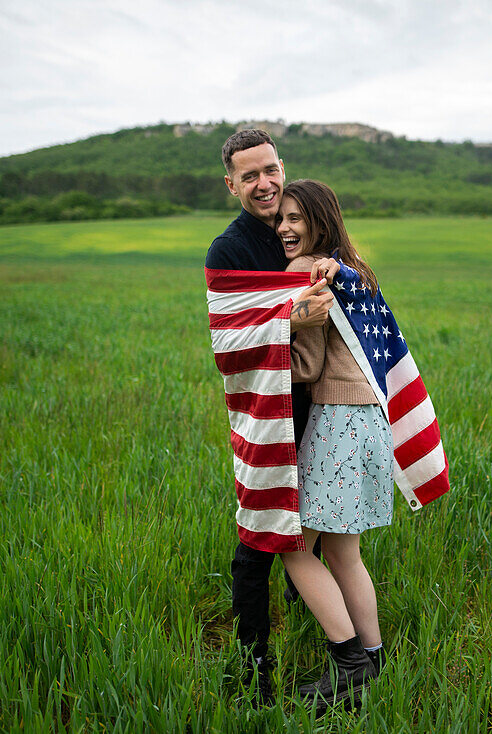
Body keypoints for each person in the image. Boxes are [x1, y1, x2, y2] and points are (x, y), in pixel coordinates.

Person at [204, 130, 337, 705]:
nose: (264, 185)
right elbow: (229, 338)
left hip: (319, 404)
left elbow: (340, 284)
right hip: (264, 404)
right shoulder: (228, 252)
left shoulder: (301, 225)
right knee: (260, 534)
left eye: (270, 170)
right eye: (250, 176)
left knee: (310, 526)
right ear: (230, 184)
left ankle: (319, 628)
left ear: (283, 168)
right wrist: (291, 316)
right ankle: (252, 661)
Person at [276, 179, 391, 710]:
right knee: (345, 552)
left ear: (320, 221)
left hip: (339, 417)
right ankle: (374, 657)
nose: (284, 227)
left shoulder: (309, 272)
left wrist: (274, 342)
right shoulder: (359, 267)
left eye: (295, 217)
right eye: (281, 218)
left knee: (294, 545)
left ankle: (348, 665)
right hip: (373, 419)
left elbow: (309, 364)